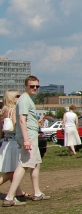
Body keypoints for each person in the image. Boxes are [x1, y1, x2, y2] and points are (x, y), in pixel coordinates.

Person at [3, 76, 50, 207]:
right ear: (25, 86)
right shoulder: (24, 100)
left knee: (36, 163)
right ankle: (9, 197)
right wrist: (26, 140)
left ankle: (37, 193)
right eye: (32, 86)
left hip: (30, 135)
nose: (35, 88)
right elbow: (22, 120)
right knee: (24, 164)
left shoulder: (27, 99)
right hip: (28, 136)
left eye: (37, 86)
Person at [0, 90, 29, 201]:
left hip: (5, 142)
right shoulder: (13, 110)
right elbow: (17, 125)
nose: (20, 97)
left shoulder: (3, 111)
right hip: (13, 143)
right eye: (17, 96)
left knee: (12, 169)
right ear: (12, 98)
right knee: (14, 170)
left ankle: (18, 191)